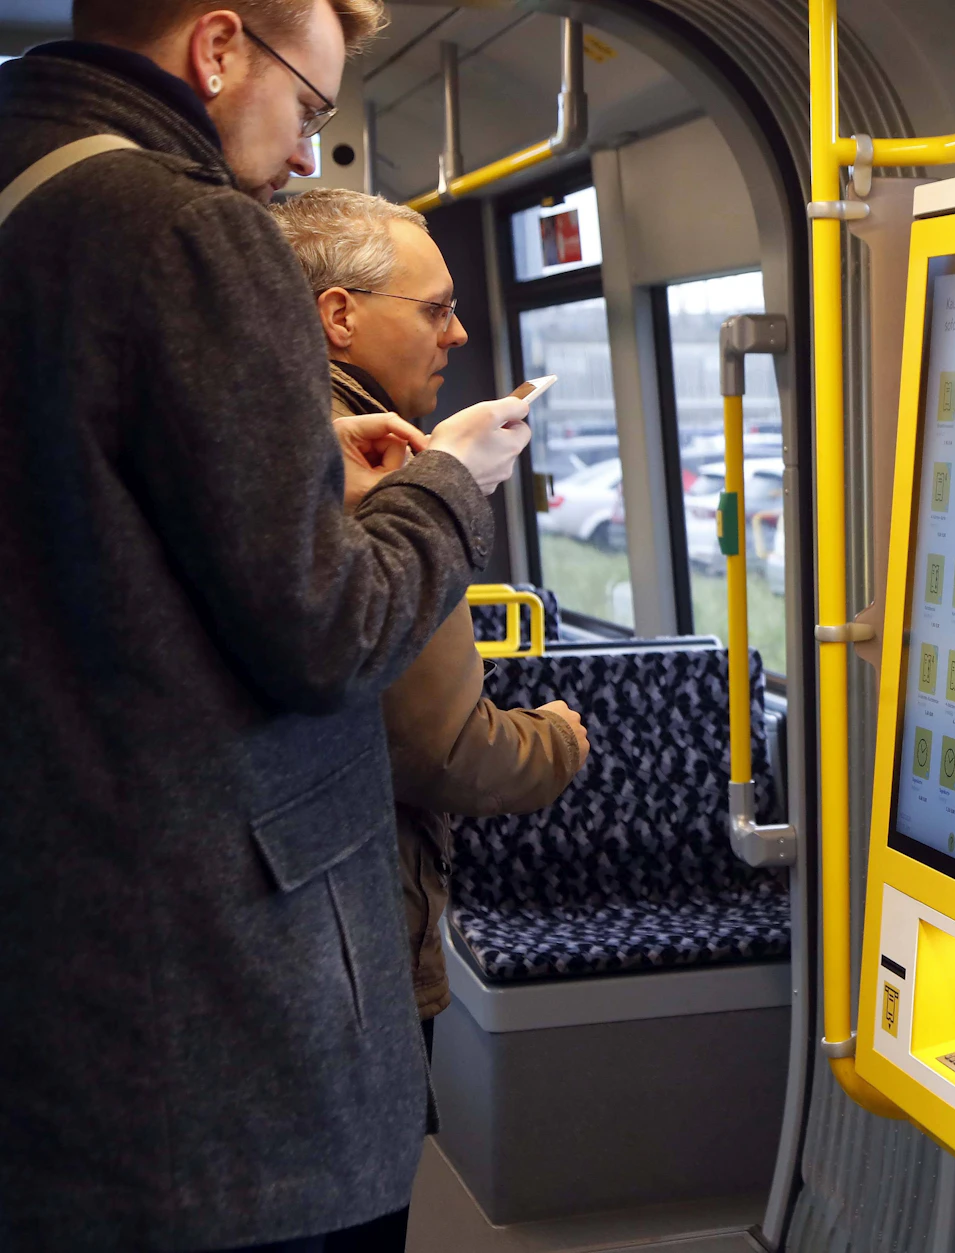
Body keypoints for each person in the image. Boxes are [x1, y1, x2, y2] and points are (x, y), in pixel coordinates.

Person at [0, 2, 538, 1250]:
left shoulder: (32, 197)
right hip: (212, 1022)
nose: (304, 153)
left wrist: (302, 453)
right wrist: (447, 483)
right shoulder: (187, 228)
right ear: (217, 47)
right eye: (308, 105)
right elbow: (330, 635)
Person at [271, 187, 593, 1251]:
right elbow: (441, 745)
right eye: (436, 308)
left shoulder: (278, 436)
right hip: (350, 940)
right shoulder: (386, 483)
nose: (457, 333)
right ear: (338, 316)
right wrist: (560, 735)